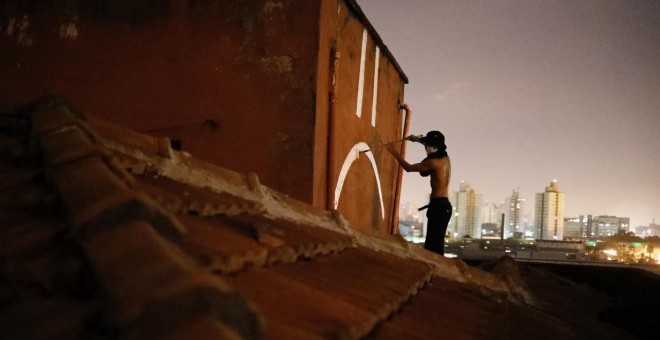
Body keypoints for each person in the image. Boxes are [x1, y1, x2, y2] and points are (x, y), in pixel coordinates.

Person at [385, 115, 452, 255]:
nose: (427, 148)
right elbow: (430, 144)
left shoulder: (433, 163)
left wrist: (394, 152)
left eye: (428, 145)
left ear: (434, 147)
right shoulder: (444, 157)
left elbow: (409, 168)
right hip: (443, 206)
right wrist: (416, 139)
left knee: (434, 247)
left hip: (439, 207)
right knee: (434, 244)